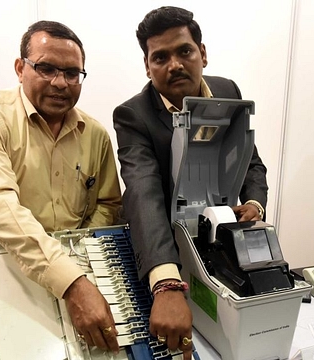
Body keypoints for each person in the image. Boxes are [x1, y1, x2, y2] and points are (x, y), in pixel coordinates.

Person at [0, 20, 122, 353]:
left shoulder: (96, 134)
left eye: (72, 73)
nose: (60, 83)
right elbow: (1, 208)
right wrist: (72, 282)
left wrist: (80, 261)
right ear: (20, 68)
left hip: (73, 269)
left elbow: (108, 204)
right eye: (46, 68)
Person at [113, 6, 269, 358]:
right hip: (163, 245)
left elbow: (250, 162)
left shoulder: (228, 91)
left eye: (184, 51)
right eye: (160, 57)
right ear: (147, 66)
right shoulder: (133, 115)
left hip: (219, 241)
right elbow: (142, 191)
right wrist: (166, 283)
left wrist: (255, 204)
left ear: (203, 53)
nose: (175, 65)